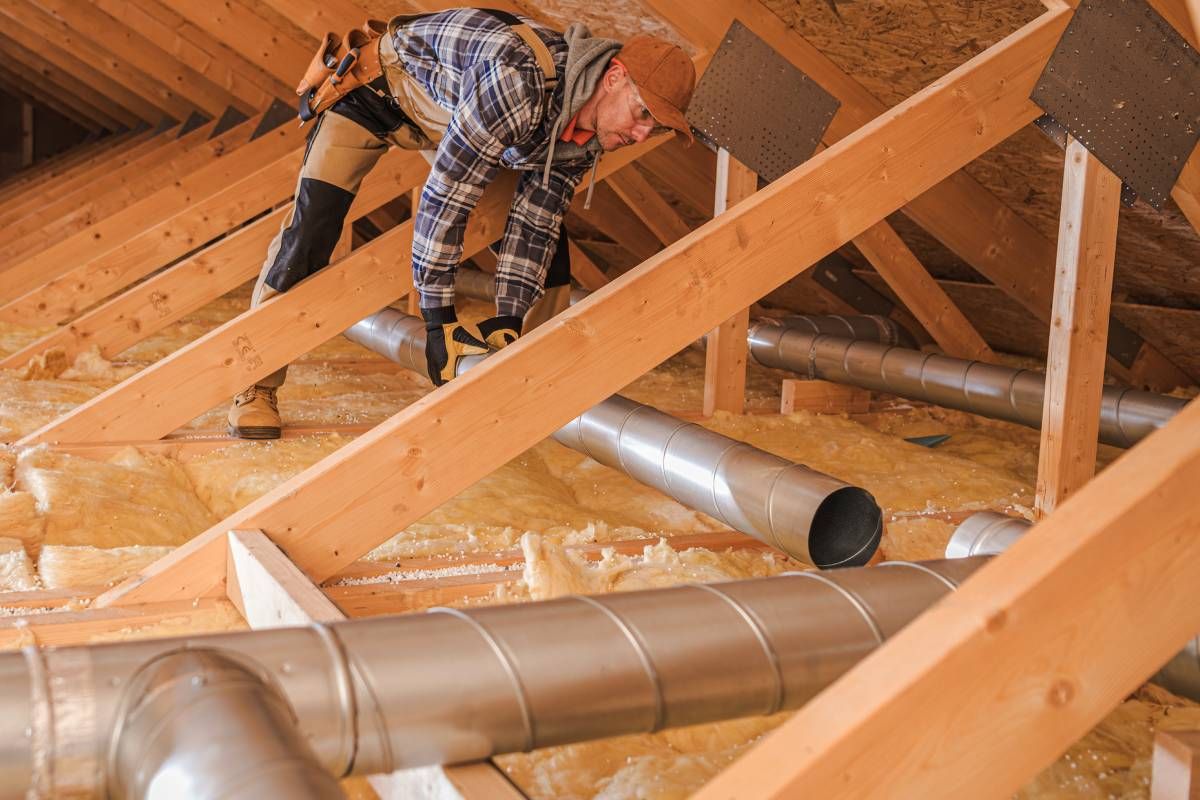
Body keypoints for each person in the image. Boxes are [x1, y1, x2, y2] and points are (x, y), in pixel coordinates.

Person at [227, 7, 696, 439]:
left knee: (551, 247)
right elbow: (447, 195)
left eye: (653, 129)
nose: (640, 135)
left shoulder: (587, 133)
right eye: (642, 116)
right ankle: (255, 384)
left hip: (450, 117)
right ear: (614, 77)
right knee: (311, 230)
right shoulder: (521, 79)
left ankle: (528, 379)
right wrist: (438, 322)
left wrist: (506, 320)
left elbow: (535, 222)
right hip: (374, 95)